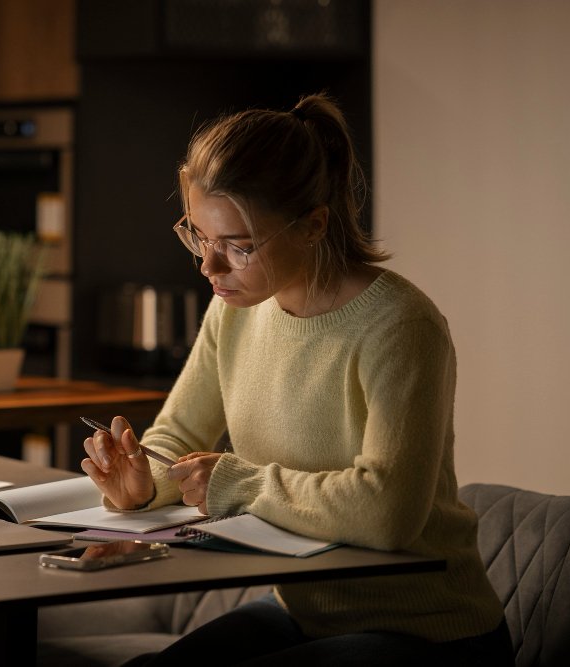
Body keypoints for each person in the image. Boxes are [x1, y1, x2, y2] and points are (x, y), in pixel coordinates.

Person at [79, 92, 512, 666]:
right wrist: (143, 482)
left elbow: (387, 512)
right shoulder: (232, 308)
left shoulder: (400, 326)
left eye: (239, 246)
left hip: (429, 634)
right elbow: (176, 437)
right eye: (200, 237)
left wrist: (236, 484)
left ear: (313, 226)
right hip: (305, 613)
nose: (209, 267)